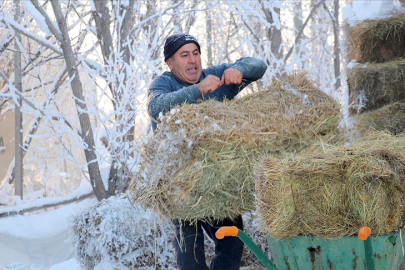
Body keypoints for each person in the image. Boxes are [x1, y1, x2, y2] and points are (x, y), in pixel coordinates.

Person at [147, 33, 267, 270]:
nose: (193, 60)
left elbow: (259, 66)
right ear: (170, 63)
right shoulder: (162, 84)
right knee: (190, 258)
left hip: (217, 184)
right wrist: (198, 90)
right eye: (184, 55)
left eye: (196, 53)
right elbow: (156, 107)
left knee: (232, 243)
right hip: (180, 188)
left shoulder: (216, 77)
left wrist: (239, 70)